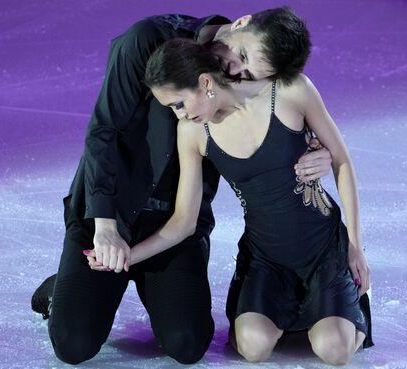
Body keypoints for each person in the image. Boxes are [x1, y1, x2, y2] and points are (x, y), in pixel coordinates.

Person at [30, 7, 333, 365]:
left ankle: (146, 284)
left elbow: (274, 115)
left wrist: (317, 148)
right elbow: (103, 131)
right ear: (242, 23)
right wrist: (105, 227)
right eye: (243, 58)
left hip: (175, 226)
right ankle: (61, 289)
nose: (236, 72)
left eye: (248, 73)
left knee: (187, 343)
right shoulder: (145, 41)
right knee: (73, 344)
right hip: (109, 218)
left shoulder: (240, 69)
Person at [88, 37, 374, 365]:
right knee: (253, 347)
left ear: (205, 82)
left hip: (323, 250)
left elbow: (342, 161)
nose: (178, 115)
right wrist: (127, 257)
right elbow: (183, 222)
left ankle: (344, 309)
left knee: (334, 350)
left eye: (178, 104)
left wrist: (355, 246)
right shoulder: (193, 133)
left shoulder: (290, 90)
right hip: (267, 257)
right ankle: (306, 314)